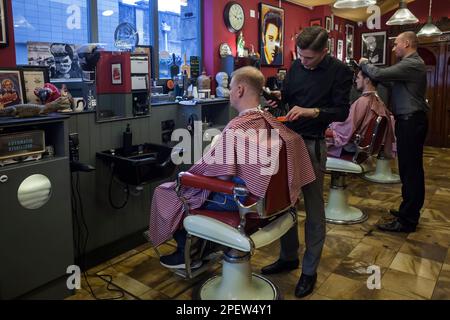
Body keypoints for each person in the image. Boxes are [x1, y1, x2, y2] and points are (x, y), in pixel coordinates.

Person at [148, 66, 315, 269]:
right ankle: (205, 248)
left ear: (240, 90)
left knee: (172, 192)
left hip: (241, 202)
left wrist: (191, 176)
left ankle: (187, 253)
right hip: (271, 201)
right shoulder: (269, 122)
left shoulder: (237, 127)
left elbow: (222, 177)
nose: (229, 92)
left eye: (231, 87)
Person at [263, 26, 353, 298]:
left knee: (313, 210)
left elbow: (341, 110)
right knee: (283, 203)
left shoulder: (339, 71)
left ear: (324, 51)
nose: (303, 61)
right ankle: (288, 256)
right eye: (300, 56)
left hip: (312, 145)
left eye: (309, 58)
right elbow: (289, 99)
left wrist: (312, 111)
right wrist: (277, 98)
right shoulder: (296, 67)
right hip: (287, 142)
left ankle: (309, 270)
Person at [360, 31, 429, 233]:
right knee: (408, 169)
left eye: (396, 44)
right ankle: (407, 210)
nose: (393, 48)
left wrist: (365, 63)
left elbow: (381, 74)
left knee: (411, 171)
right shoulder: (407, 66)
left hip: (412, 121)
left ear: (406, 43)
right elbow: (388, 81)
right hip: (408, 121)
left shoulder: (413, 63)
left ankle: (408, 219)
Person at [326, 69, 395, 158]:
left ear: (367, 80)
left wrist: (327, 129)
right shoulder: (379, 102)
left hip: (349, 148)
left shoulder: (363, 102)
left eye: (358, 77)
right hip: (362, 147)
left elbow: (344, 132)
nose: (356, 80)